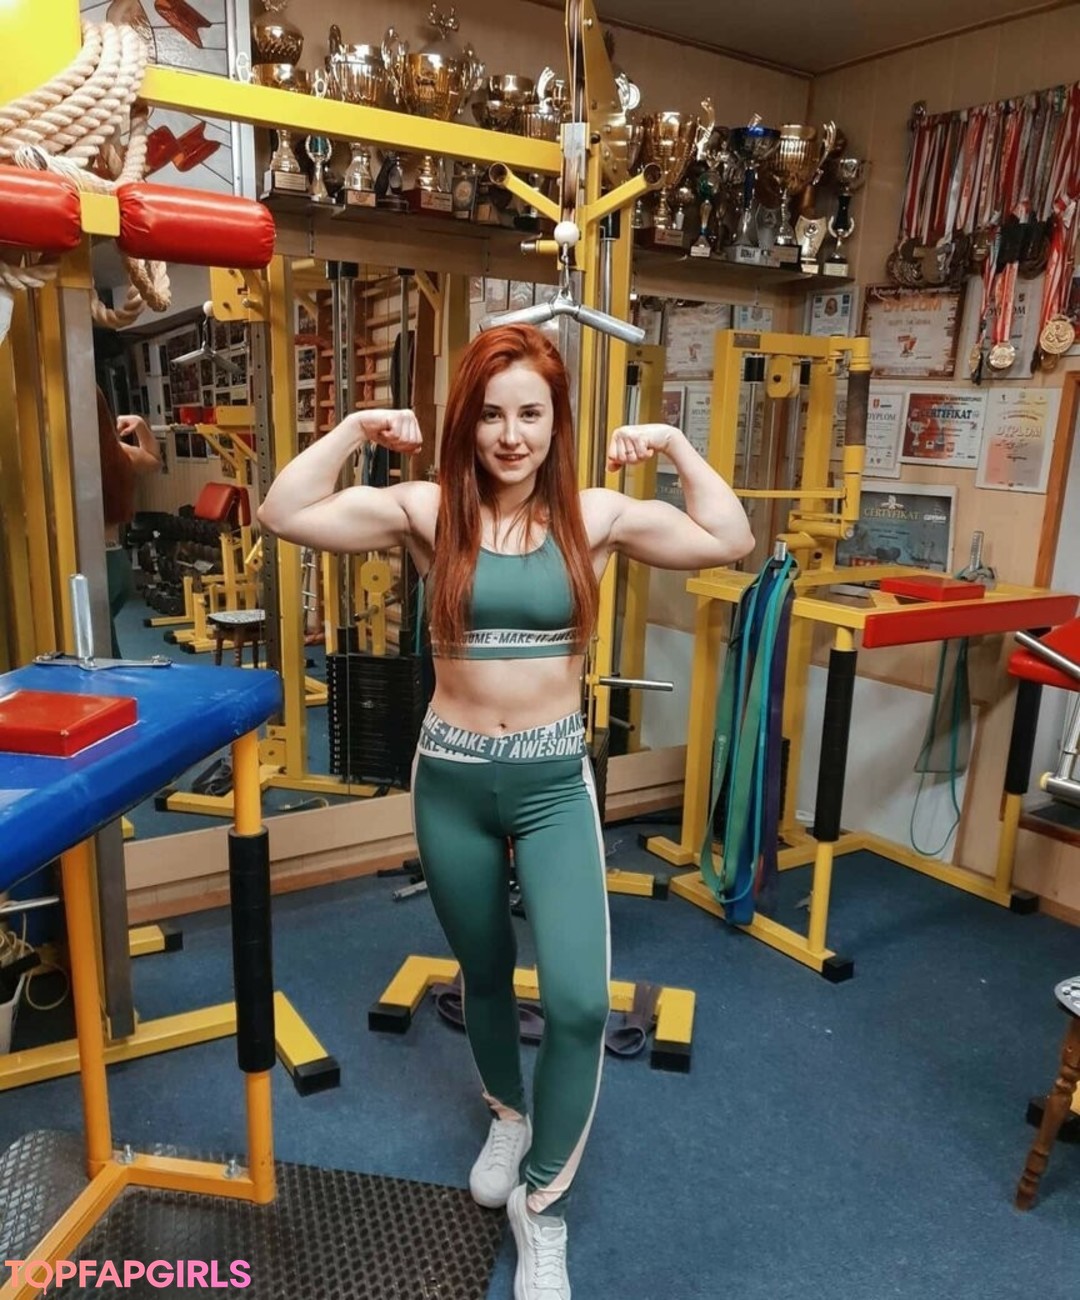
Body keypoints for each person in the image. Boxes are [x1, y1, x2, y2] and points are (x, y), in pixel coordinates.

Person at [257, 324, 753, 1300]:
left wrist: (672, 444)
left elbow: (729, 538)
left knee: (577, 1002)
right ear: (467, 423)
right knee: (483, 971)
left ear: (557, 422)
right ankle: (509, 1115)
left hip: (551, 782)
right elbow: (282, 510)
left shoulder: (595, 517)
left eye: (530, 413)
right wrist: (356, 426)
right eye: (491, 414)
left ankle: (542, 1205)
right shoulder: (427, 511)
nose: (511, 435)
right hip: (451, 782)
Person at [97, 387, 161, 657]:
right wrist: (141, 426)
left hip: (90, 568)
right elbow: (153, 460)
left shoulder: (67, 462)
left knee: (92, 652)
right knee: (103, 646)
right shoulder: (117, 453)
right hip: (116, 563)